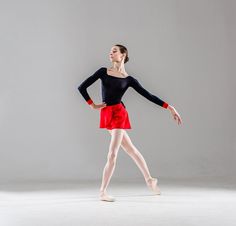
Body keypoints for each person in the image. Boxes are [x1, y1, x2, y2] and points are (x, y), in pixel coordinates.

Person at [78, 44, 182, 202]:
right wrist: (92, 104)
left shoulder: (129, 80)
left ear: (123, 55)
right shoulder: (103, 71)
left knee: (112, 153)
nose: (110, 53)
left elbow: (148, 95)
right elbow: (82, 87)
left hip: (119, 114)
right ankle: (150, 180)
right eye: (110, 51)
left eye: (114, 51)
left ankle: (102, 192)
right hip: (107, 114)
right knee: (131, 149)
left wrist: (170, 107)